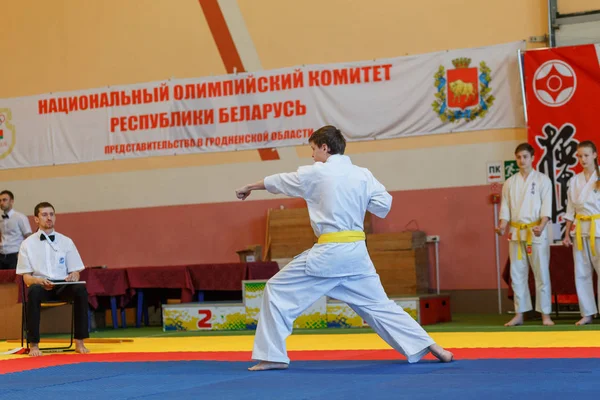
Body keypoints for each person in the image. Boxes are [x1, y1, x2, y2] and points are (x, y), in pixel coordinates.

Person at [235, 125, 453, 371]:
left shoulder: (317, 173)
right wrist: (356, 199)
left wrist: (250, 187)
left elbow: (280, 181)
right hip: (357, 255)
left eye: (313, 149)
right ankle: (435, 348)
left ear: (325, 147)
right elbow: (384, 204)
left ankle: (272, 356)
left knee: (275, 290)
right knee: (380, 306)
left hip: (329, 253)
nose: (312, 155)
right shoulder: (362, 174)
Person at [16, 202, 90, 356]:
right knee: (34, 292)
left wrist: (74, 275)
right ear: (36, 219)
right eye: (44, 215)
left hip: (62, 285)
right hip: (40, 285)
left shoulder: (66, 241)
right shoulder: (27, 244)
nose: (49, 218)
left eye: (51, 214)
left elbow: (76, 270)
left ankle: (80, 341)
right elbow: (26, 278)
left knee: (80, 289)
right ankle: (34, 344)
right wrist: (38, 281)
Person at [496, 143, 554, 326]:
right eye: (519, 157)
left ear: (532, 157)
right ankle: (519, 313)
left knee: (541, 272)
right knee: (517, 273)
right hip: (516, 232)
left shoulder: (543, 180)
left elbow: (546, 206)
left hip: (536, 231)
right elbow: (505, 208)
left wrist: (542, 225)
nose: (522, 160)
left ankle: (545, 314)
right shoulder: (510, 183)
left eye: (525, 157)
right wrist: (502, 225)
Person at [563, 140, 600, 326]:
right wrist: (566, 233)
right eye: (579, 156)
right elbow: (570, 210)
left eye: (586, 155)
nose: (582, 159)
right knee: (582, 272)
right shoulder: (574, 180)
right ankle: (587, 313)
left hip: (598, 228)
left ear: (594, 155)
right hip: (579, 230)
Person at [0, 190, 32, 270]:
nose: (1, 203)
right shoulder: (1, 219)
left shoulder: (20, 217)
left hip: (15, 255)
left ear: (11, 201)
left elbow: (29, 237)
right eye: (0, 200)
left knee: (15, 281)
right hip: (2, 255)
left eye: (4, 200)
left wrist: (24, 253)